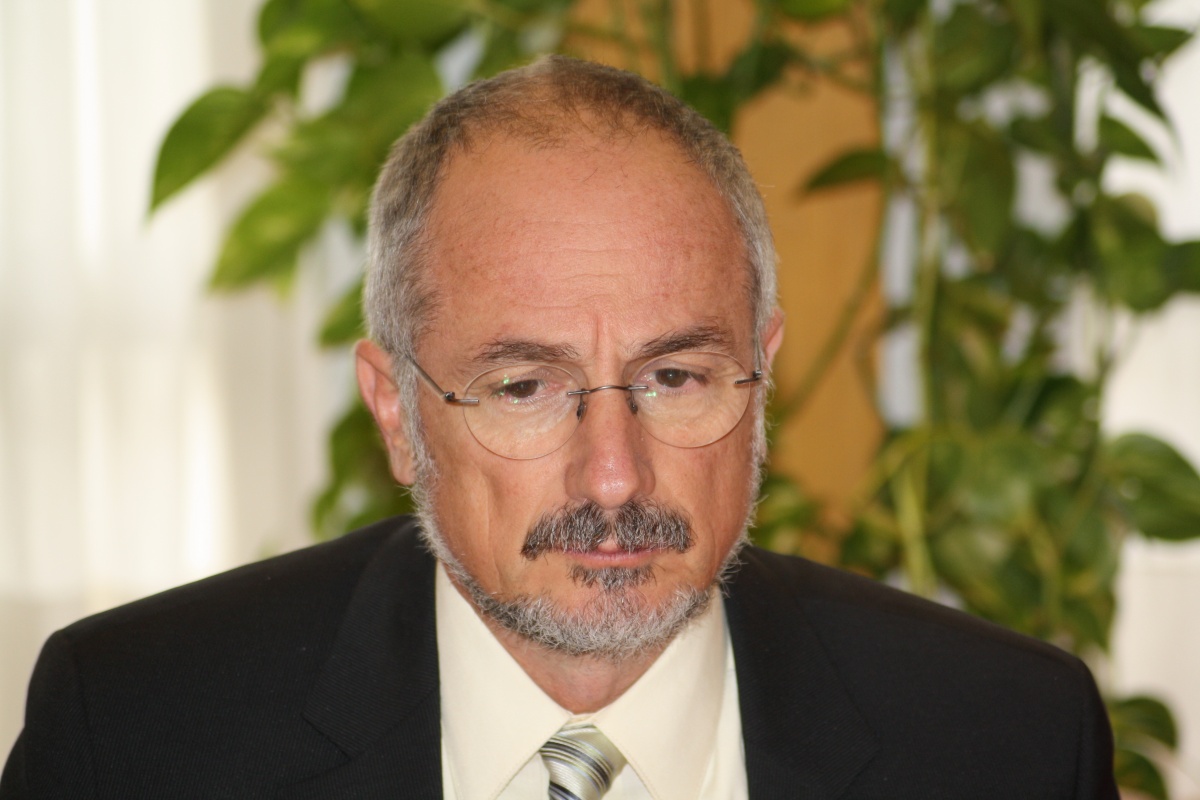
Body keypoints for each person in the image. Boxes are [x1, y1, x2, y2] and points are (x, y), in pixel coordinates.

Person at [2, 56, 1117, 799]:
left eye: (675, 375)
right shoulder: (135, 730)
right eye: (524, 387)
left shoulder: (1008, 738)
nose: (615, 475)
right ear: (397, 413)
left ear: (762, 376)